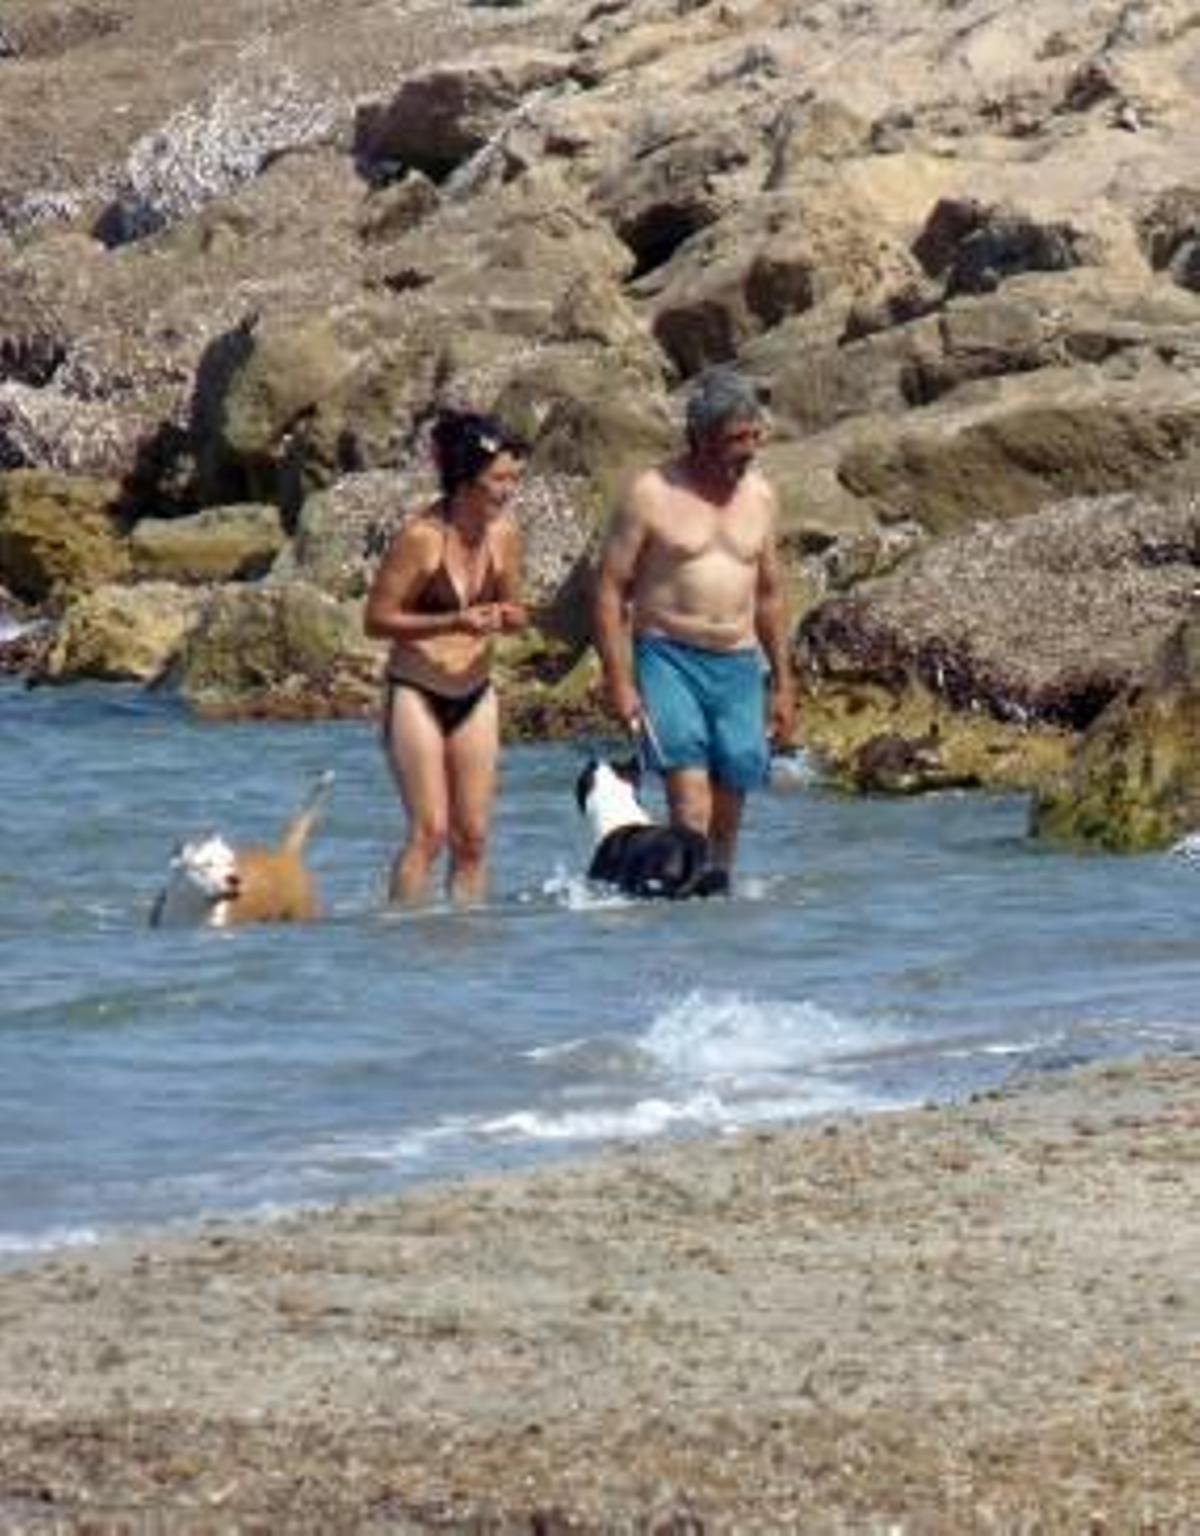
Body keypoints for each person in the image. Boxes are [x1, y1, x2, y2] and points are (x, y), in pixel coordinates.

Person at [592, 368, 795, 876]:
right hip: (668, 657)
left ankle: (713, 909)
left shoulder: (762, 496)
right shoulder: (651, 492)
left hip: (739, 664)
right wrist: (619, 681)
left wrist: (785, 684)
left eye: (754, 436)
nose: (748, 449)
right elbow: (610, 589)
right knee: (692, 805)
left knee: (729, 810)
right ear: (700, 439)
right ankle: (683, 924)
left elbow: (769, 594)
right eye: (735, 439)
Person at [364, 409, 528, 904]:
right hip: (416, 690)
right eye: (498, 479)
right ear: (465, 478)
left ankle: (466, 946)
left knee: (473, 838)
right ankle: (401, 938)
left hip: (475, 691)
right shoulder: (421, 539)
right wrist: (451, 622)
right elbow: (375, 620)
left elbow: (517, 608)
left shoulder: (505, 536)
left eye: (513, 479)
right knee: (430, 832)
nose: (508, 490)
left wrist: (509, 616)